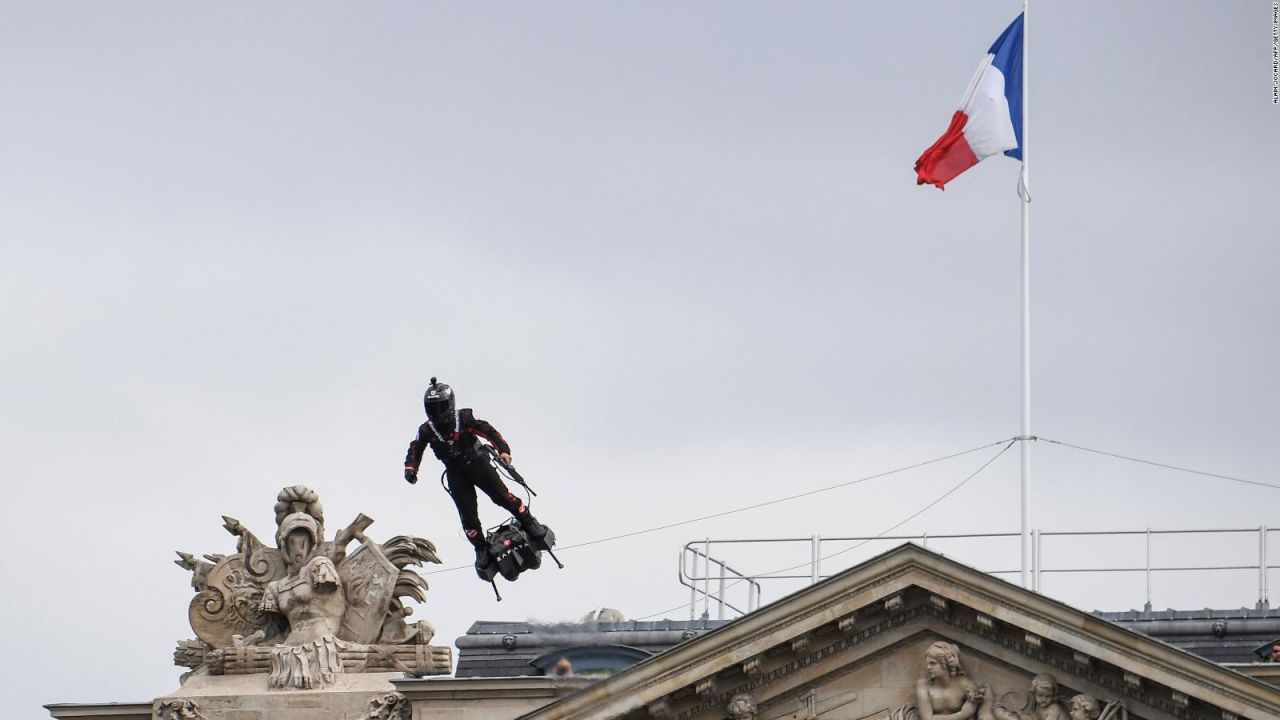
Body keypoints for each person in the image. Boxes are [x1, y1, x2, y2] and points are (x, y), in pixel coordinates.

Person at [403, 378, 549, 573]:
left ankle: (529, 522)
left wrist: (503, 450)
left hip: (478, 464)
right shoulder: (426, 430)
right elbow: (415, 449)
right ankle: (480, 548)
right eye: (433, 408)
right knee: (468, 516)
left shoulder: (464, 417)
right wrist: (411, 469)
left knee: (502, 497)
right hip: (456, 474)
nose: (437, 412)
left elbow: (488, 431)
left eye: (441, 407)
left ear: (450, 404)